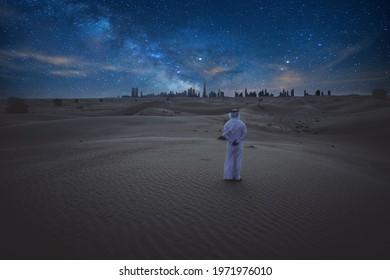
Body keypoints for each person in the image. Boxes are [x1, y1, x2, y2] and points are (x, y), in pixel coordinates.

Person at [222, 109, 247, 181]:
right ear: (238, 114)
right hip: (239, 145)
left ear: (231, 114)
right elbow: (244, 134)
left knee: (229, 159)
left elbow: (224, 134)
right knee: (238, 160)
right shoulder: (242, 123)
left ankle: (228, 176)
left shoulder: (227, 124)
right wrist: (238, 141)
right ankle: (237, 177)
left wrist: (232, 141)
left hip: (230, 145)